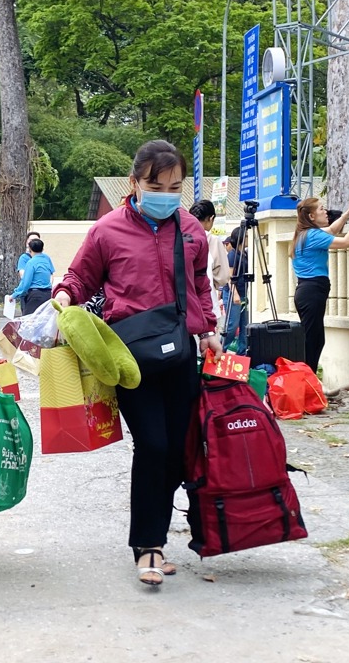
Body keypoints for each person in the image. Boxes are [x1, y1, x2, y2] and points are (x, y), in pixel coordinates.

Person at [52, 139, 222, 587]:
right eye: (155, 184)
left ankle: (156, 537)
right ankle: (147, 545)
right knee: (153, 445)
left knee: (179, 450)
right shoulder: (107, 230)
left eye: (174, 186)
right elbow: (79, 275)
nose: (165, 194)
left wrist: (209, 332)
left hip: (182, 354)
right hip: (129, 359)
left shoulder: (190, 230)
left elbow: (200, 285)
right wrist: (64, 296)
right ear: (135, 182)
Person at [291, 196, 349, 373]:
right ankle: (306, 385)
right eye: (321, 209)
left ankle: (307, 385)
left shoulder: (305, 233)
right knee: (313, 342)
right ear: (311, 216)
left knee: (313, 340)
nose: (325, 211)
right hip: (312, 292)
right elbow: (347, 241)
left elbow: (332, 229)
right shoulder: (313, 235)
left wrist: (348, 213)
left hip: (308, 292)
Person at [189, 200, 230, 334]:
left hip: (185, 310)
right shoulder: (212, 240)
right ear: (211, 218)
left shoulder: (178, 236)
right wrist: (212, 283)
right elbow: (223, 276)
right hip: (207, 306)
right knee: (210, 352)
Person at [222, 226, 249, 354]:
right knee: (232, 326)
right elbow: (229, 277)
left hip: (243, 293)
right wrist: (235, 295)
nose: (248, 239)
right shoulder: (232, 255)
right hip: (234, 294)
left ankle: (242, 353)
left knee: (245, 326)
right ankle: (222, 349)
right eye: (247, 236)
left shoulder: (244, 253)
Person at [11, 238, 55, 315]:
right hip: (48, 294)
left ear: (30, 249)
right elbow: (51, 274)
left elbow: (26, 283)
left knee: (29, 321)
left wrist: (15, 294)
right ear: (43, 248)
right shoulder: (47, 260)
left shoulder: (31, 263)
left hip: (35, 295)